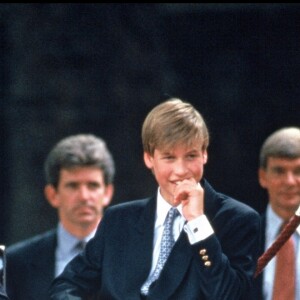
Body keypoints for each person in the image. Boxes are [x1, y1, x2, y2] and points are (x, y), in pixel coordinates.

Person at [49, 98, 260, 300]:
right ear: (149, 158)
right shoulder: (118, 219)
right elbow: (67, 284)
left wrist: (198, 223)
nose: (181, 170)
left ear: (204, 154)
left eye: (191, 156)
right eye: (169, 157)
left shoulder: (238, 219)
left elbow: (230, 296)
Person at [6, 134, 115, 300]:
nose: (84, 196)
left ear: (107, 193)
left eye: (93, 185)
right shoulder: (14, 263)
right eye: (73, 185)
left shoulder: (136, 256)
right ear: (52, 194)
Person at [252, 127, 300, 300]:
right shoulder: (241, 238)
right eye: (279, 171)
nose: (289, 181)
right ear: (263, 176)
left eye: (298, 171)